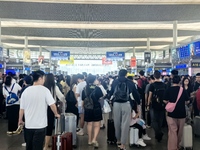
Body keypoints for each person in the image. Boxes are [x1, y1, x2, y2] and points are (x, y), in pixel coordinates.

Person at [18, 70, 60, 150]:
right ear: (40, 78)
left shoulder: (26, 91)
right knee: (38, 147)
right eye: (44, 78)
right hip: (40, 125)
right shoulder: (45, 90)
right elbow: (52, 105)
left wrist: (20, 119)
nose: (44, 80)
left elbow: (21, 108)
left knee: (29, 146)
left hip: (28, 125)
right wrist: (56, 114)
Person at [110, 69, 140, 150]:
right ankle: (123, 144)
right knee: (125, 124)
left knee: (117, 122)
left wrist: (109, 98)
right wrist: (138, 102)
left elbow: (111, 92)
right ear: (126, 74)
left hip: (116, 104)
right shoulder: (130, 82)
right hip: (126, 104)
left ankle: (118, 140)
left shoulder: (115, 82)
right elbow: (135, 94)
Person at [163, 75, 189, 150]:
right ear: (179, 81)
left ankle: (172, 148)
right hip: (181, 114)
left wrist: (170, 103)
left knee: (172, 132)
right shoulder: (182, 90)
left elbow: (164, 100)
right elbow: (187, 101)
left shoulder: (168, 89)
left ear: (172, 81)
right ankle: (177, 146)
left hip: (171, 114)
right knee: (179, 132)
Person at [43, 73, 65, 150]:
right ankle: (46, 146)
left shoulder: (42, 87)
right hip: (51, 108)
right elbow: (61, 96)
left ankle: (44, 143)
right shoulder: (54, 87)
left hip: (42, 108)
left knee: (42, 126)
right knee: (49, 127)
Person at [82, 75, 103, 148]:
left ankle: (89, 140)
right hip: (96, 108)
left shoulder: (84, 89)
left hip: (88, 108)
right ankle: (94, 139)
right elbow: (101, 98)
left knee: (89, 124)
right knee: (97, 125)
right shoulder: (98, 88)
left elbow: (83, 99)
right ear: (94, 80)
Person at [147, 70, 166, 142]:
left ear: (154, 77)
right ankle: (158, 135)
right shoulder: (164, 85)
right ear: (160, 76)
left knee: (154, 121)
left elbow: (150, 96)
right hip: (162, 104)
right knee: (160, 120)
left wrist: (148, 104)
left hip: (154, 104)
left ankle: (158, 133)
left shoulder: (152, 85)